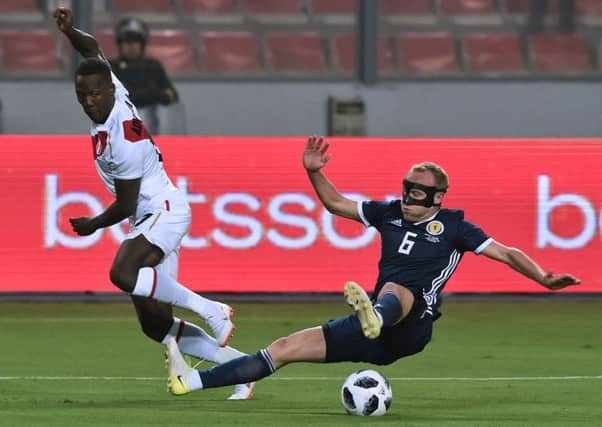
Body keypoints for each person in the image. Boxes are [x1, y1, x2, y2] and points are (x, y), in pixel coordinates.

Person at [165, 136, 580, 396]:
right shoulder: (388, 213)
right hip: (374, 331)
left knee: (398, 290)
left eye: (420, 192)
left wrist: (542, 278)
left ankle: (375, 316)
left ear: (438, 199)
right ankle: (190, 383)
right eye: (407, 188)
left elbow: (506, 252)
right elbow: (336, 203)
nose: (410, 197)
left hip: (412, 324)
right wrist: (313, 173)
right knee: (284, 348)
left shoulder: (456, 227)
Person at [53, 7, 253, 400]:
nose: (88, 102)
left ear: (110, 90)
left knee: (123, 272)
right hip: (149, 217)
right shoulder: (113, 91)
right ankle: (244, 370)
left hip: (161, 212)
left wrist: (92, 224)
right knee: (155, 323)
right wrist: (69, 32)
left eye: (94, 94)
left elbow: (126, 204)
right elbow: (91, 50)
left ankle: (211, 309)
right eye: (81, 96)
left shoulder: (123, 142)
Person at [109, 17, 179, 134]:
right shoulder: (111, 67)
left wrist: (155, 95)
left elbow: (172, 95)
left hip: (151, 126)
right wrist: (147, 95)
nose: (132, 45)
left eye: (136, 41)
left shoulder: (153, 66)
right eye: (127, 41)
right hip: (119, 129)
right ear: (120, 44)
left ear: (142, 44)